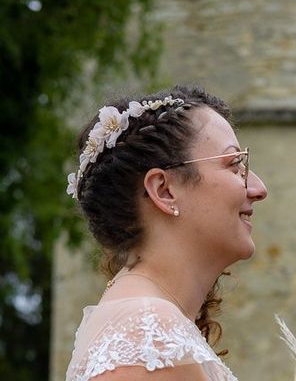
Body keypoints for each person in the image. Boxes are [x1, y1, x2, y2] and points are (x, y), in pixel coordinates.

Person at [64, 85, 267, 381]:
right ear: (164, 190)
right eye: (235, 164)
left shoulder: (148, 326)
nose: (259, 189)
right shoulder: (147, 338)